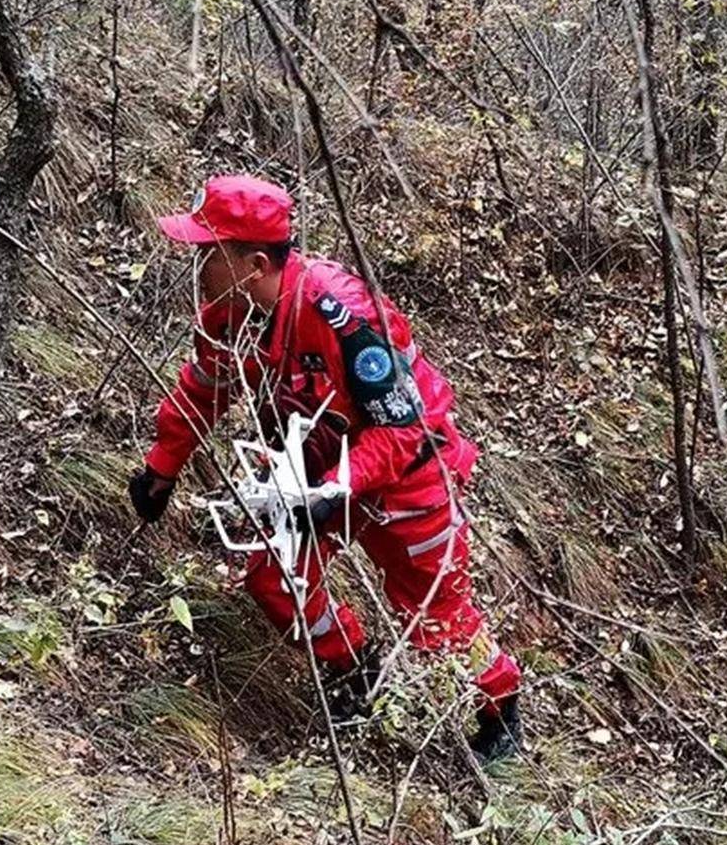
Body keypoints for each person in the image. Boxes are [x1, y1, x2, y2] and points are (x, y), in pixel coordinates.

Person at [126, 174, 522, 761]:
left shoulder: (343, 314)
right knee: (275, 578)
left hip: (411, 478)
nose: (197, 263)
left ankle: (501, 709)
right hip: (316, 475)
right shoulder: (225, 313)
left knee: (435, 619)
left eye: (208, 252)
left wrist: (337, 488)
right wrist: (162, 466)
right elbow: (206, 388)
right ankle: (354, 674)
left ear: (254, 261)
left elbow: (402, 427)